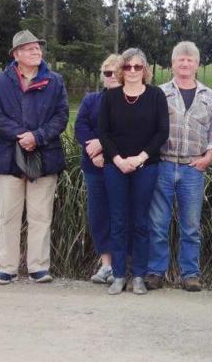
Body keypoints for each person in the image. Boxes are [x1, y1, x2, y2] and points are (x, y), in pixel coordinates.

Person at [0, 30, 69, 285]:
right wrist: (21, 135)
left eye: (38, 48)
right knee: (8, 216)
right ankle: (7, 268)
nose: (36, 51)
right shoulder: (0, 81)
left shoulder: (55, 81)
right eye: (30, 48)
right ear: (16, 54)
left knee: (41, 215)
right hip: (8, 157)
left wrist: (38, 136)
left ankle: (38, 268)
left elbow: (61, 116)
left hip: (44, 157)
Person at [147, 41, 212, 292]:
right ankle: (156, 271)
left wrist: (208, 157)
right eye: (181, 59)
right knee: (158, 223)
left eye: (190, 60)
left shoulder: (208, 96)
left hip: (193, 168)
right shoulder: (159, 93)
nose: (185, 63)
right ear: (173, 63)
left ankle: (190, 273)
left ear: (197, 64)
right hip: (164, 165)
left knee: (191, 225)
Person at [98, 48, 168, 295]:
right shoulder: (110, 97)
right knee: (118, 221)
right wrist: (117, 159)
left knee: (140, 221)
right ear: (121, 70)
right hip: (115, 166)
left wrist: (140, 158)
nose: (132, 71)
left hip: (145, 166)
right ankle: (118, 275)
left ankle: (138, 274)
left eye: (138, 67)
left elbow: (162, 132)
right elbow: (103, 133)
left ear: (145, 70)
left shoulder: (156, 96)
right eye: (128, 67)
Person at [75, 53, 121, 284]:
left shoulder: (130, 101)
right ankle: (106, 265)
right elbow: (80, 127)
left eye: (115, 72)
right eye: (107, 72)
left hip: (121, 167)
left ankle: (122, 265)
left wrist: (103, 147)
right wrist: (93, 151)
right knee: (99, 215)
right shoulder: (91, 100)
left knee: (121, 214)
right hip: (94, 168)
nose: (111, 76)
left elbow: (128, 130)